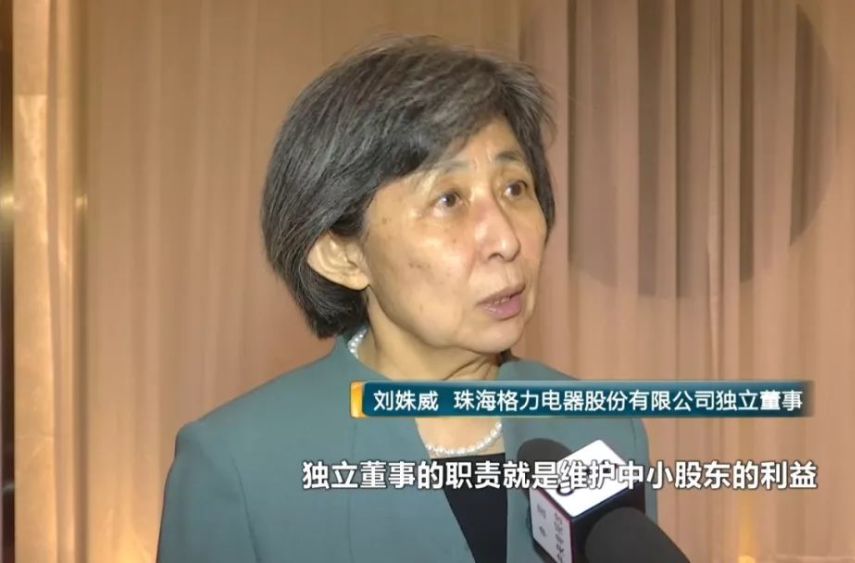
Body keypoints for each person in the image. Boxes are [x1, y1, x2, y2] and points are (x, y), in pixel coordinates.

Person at [157, 35, 657, 563]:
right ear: (342, 256)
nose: (506, 239)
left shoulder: (599, 429)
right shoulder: (242, 467)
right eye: (449, 199)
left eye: (515, 187)